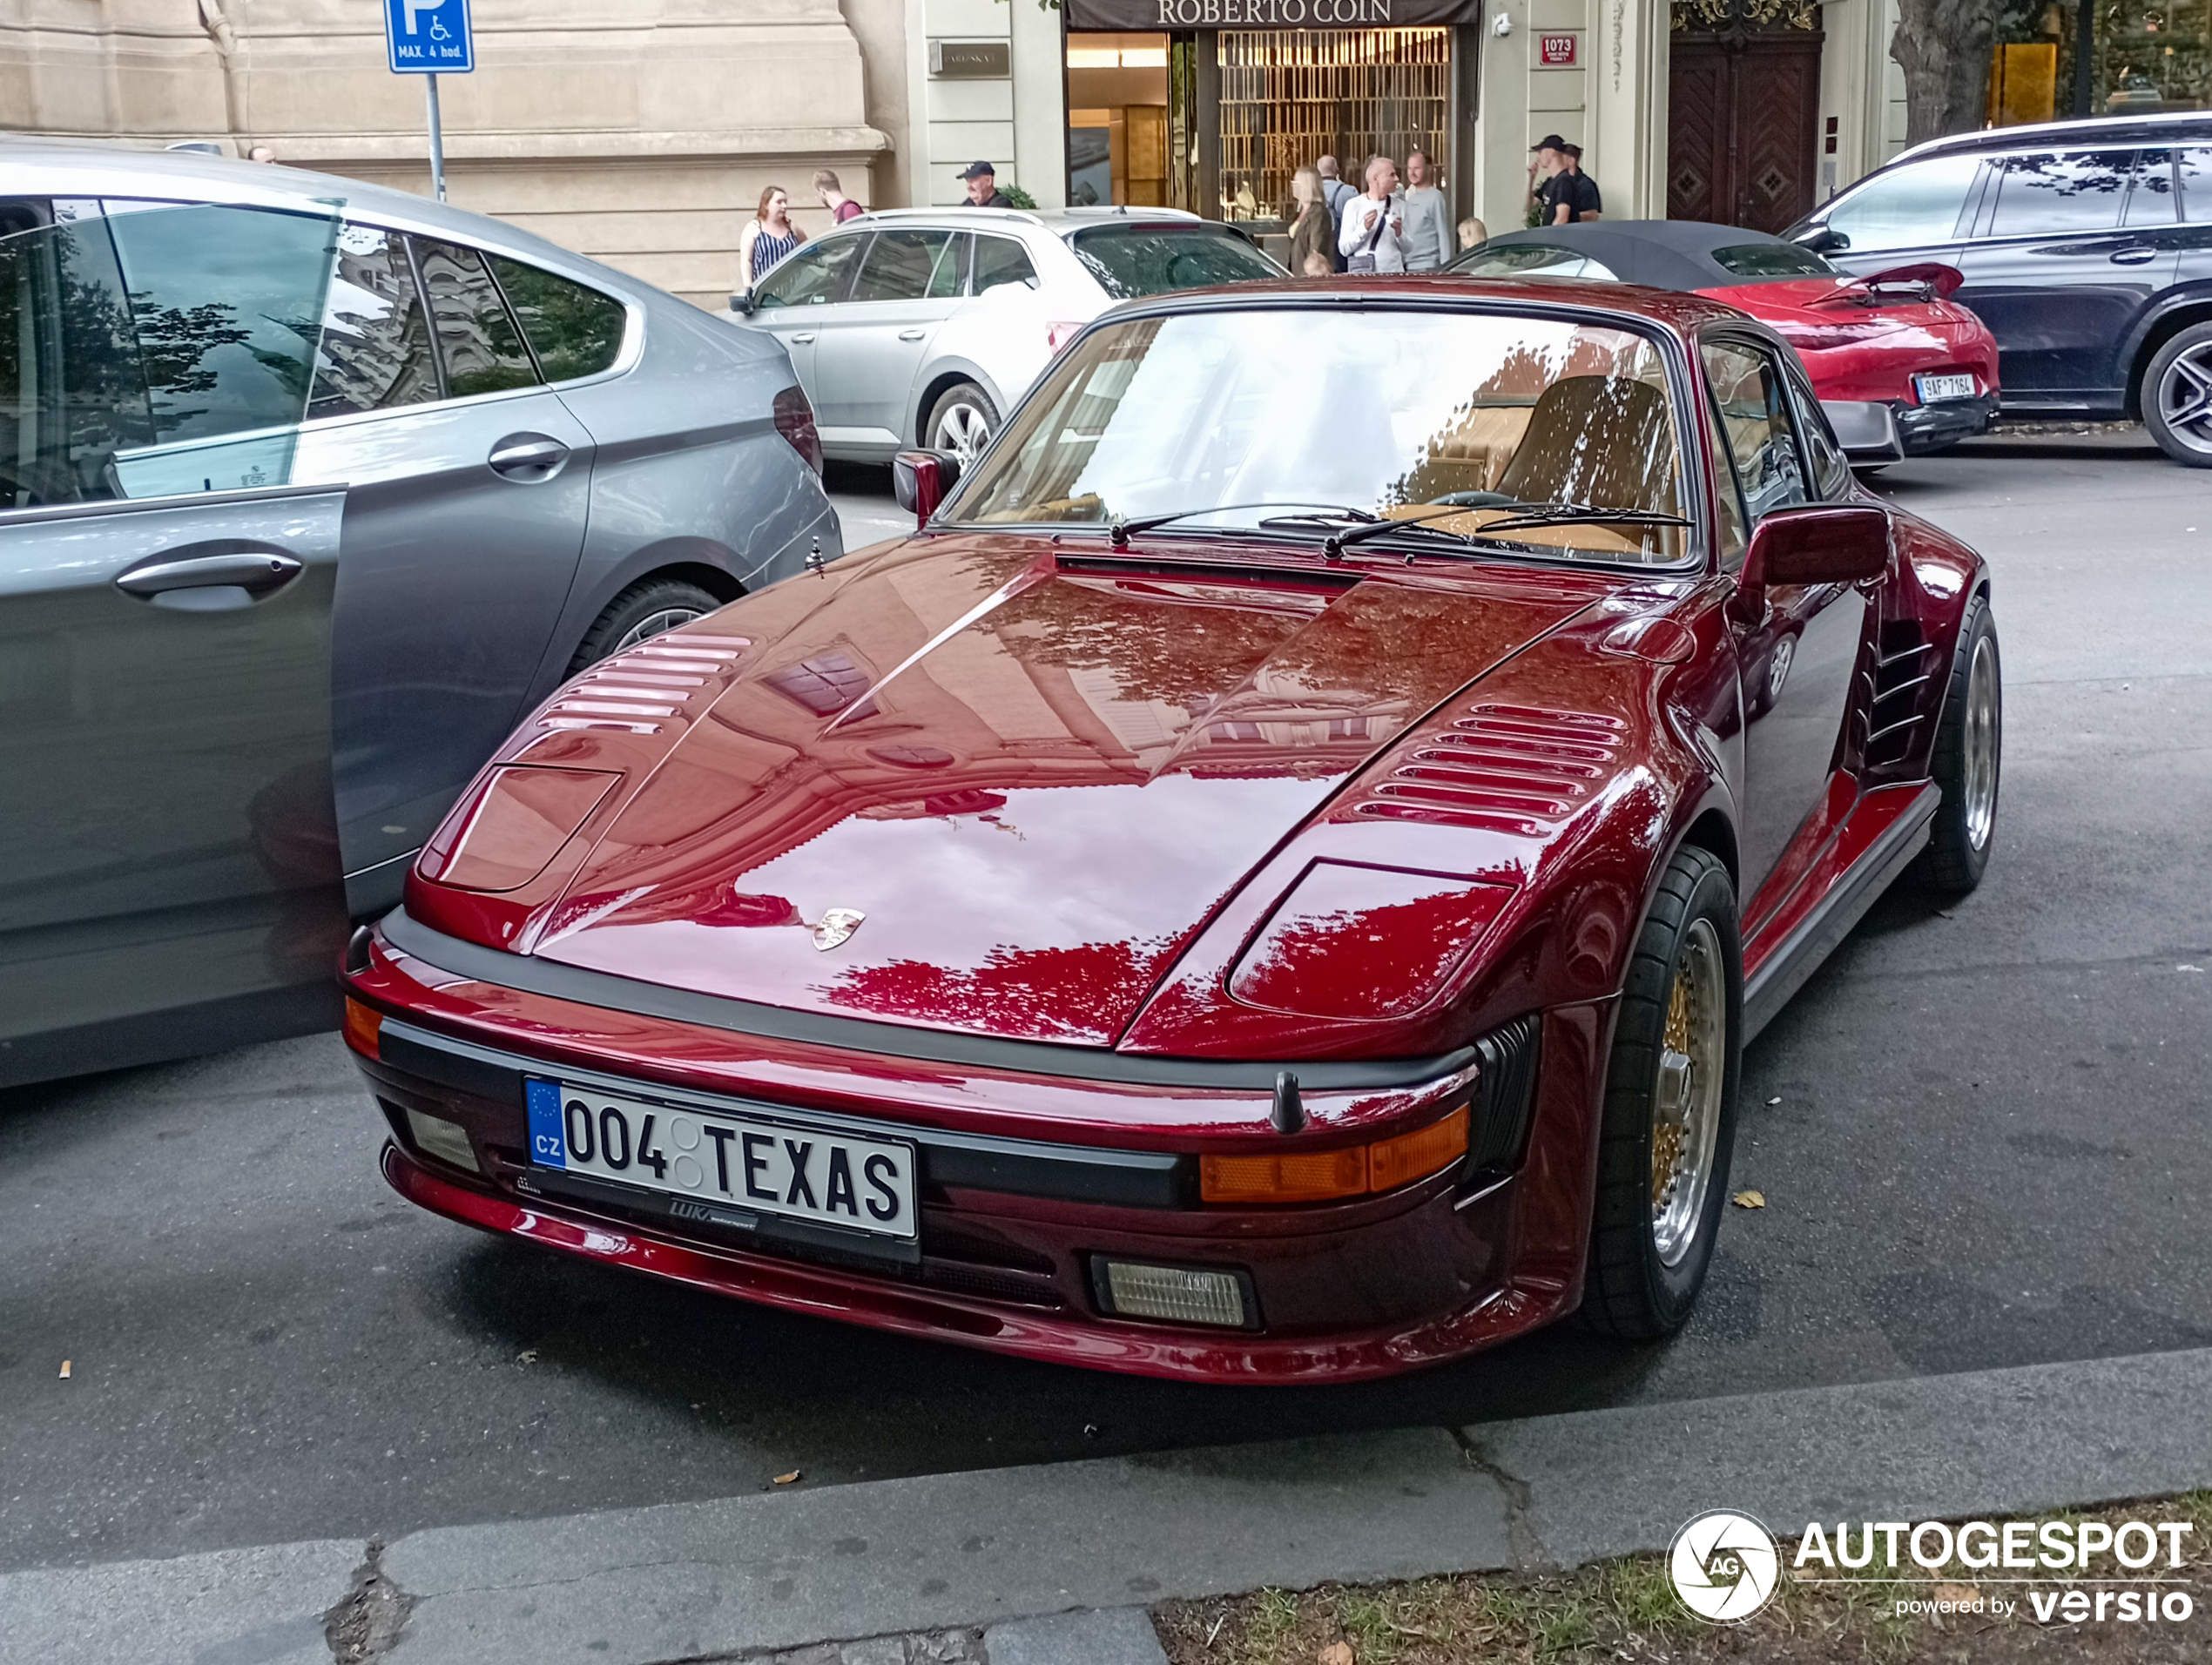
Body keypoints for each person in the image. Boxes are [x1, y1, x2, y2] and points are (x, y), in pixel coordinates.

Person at [1338, 154, 1406, 274]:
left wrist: (1399, 233)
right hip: (1364, 278)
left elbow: (1409, 248)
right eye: (1392, 175)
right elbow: (1344, 249)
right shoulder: (1354, 205)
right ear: (1376, 179)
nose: (1397, 179)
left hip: (1395, 278)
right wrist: (1363, 229)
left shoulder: (1400, 206)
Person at [737, 185, 806, 294]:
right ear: (766, 205)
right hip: (765, 293)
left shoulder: (792, 227)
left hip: (792, 292)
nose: (784, 206)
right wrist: (749, 288)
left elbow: (808, 250)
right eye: (779, 202)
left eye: (785, 202)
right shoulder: (754, 227)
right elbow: (746, 260)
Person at [1398, 150, 1452, 273]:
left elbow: (1443, 232)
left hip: (1429, 265)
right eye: (1409, 168)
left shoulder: (1436, 197)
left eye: (1417, 168)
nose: (1412, 172)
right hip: (1408, 265)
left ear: (1429, 169)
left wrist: (1446, 267)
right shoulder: (1409, 198)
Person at [1287, 166, 1335, 280]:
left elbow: (1316, 248)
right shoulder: (1300, 211)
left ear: (1306, 186)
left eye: (1296, 183)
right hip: (1297, 272)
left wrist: (1308, 272)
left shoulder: (1318, 212)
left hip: (1309, 275)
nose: (1293, 186)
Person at [1315, 154, 1357, 270]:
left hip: (1320, 249)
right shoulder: (1349, 191)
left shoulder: (1312, 192)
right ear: (1336, 169)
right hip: (1343, 250)